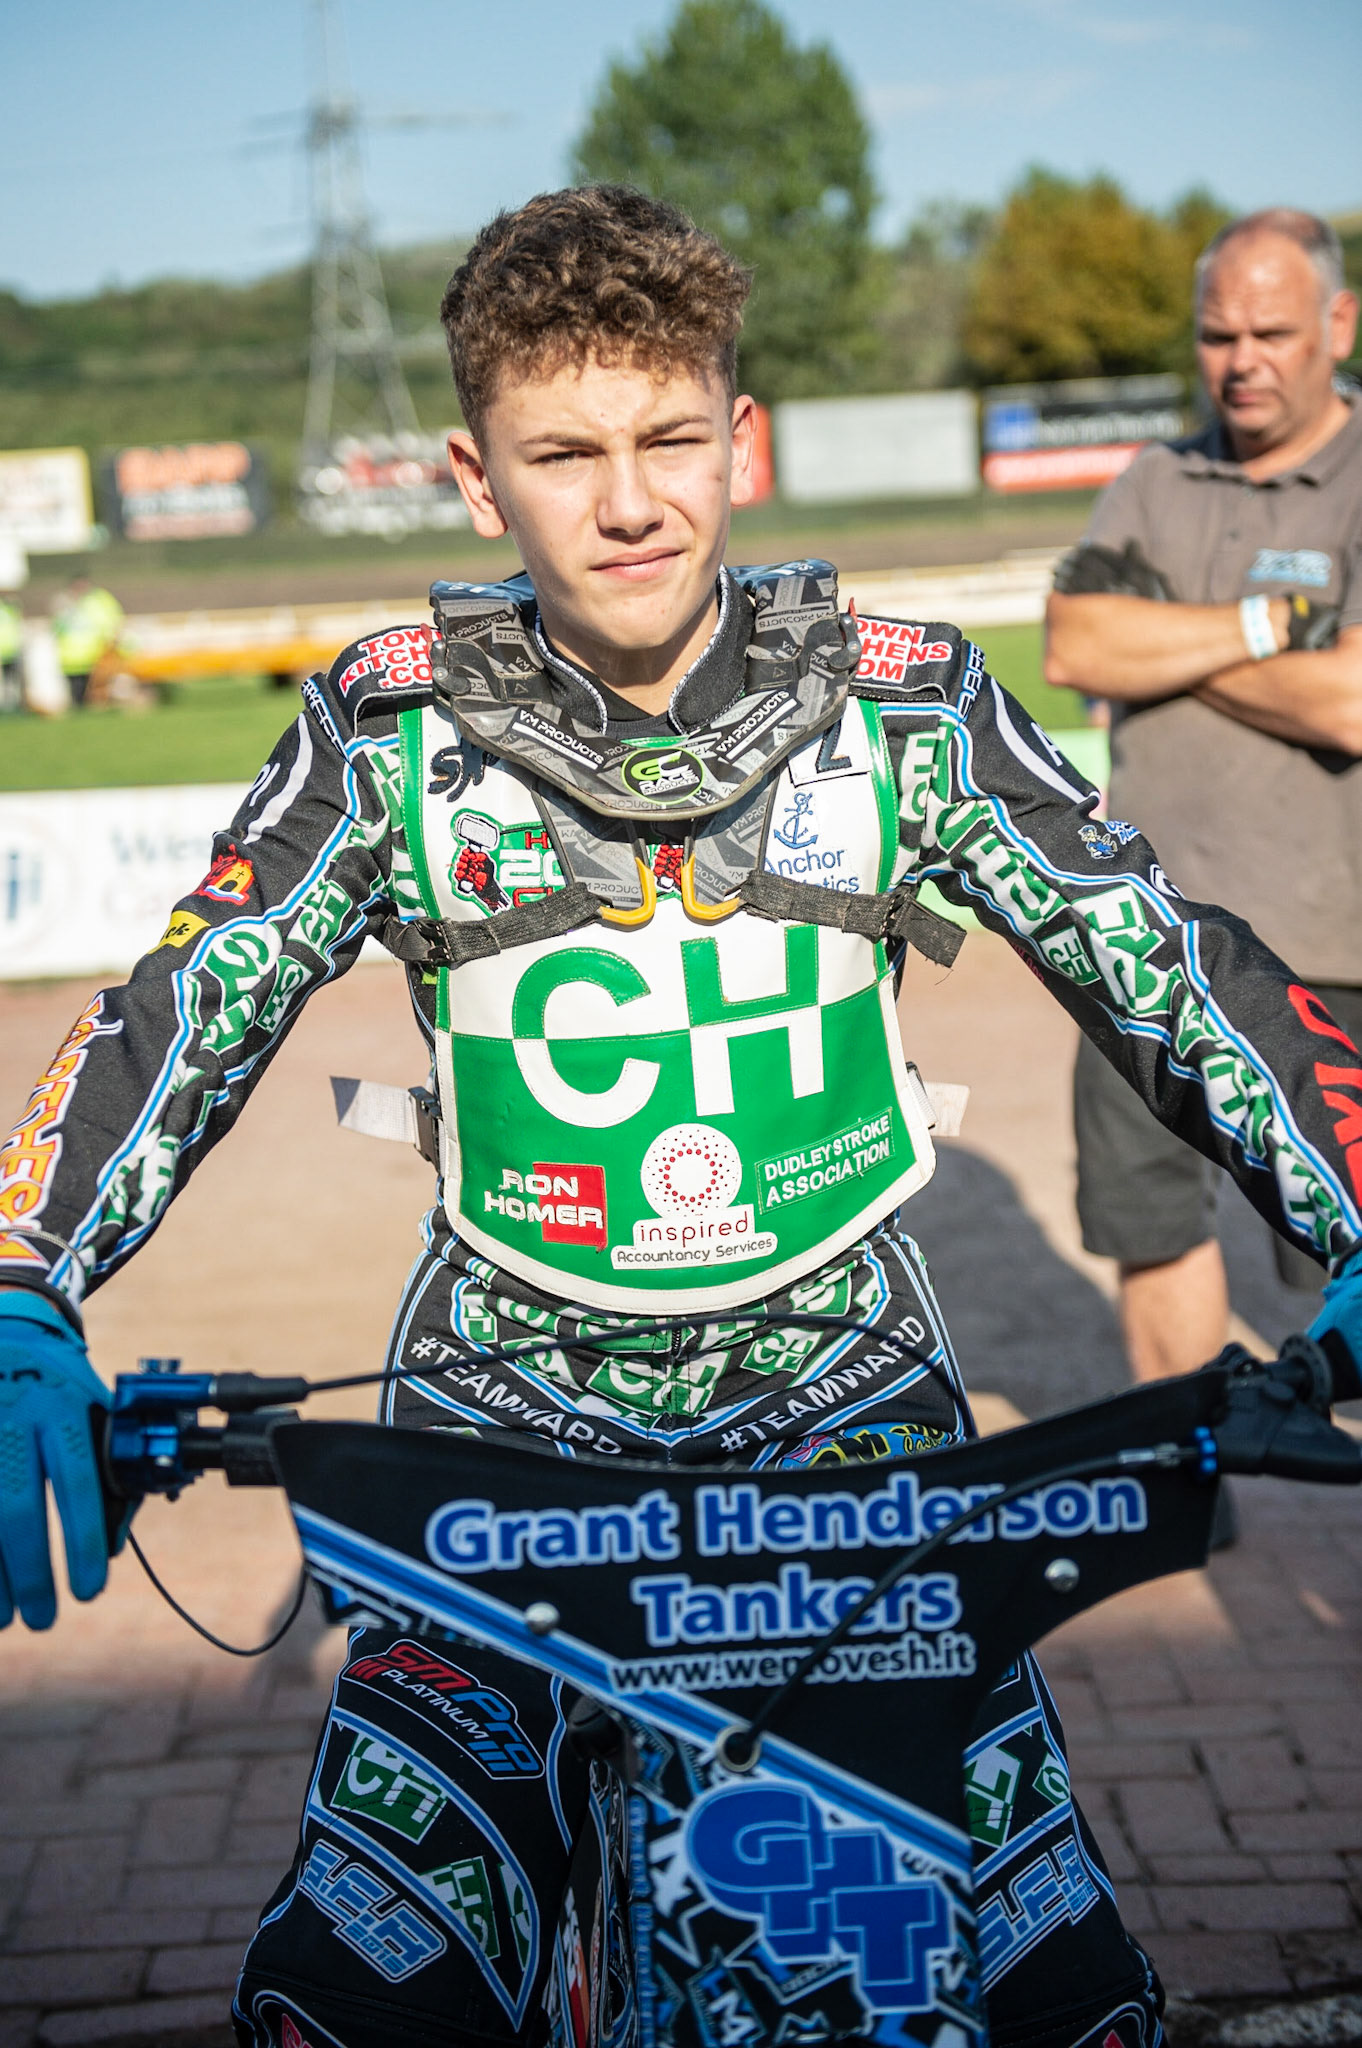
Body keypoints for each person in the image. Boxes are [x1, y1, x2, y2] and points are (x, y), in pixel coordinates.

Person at [3, 186, 1362, 2048]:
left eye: (664, 440)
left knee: (1058, 1999)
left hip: (855, 1441)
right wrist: (21, 1282)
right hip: (498, 1445)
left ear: (740, 444)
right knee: (340, 1995)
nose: (626, 499)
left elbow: (1158, 956)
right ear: (478, 481)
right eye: (563, 453)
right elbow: (193, 996)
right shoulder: (383, 733)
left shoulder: (912, 712)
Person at [1045, 208, 1362, 1386]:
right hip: (1144, 934)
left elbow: (1352, 704)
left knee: (1342, 1250)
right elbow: (1077, 642)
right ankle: (1192, 1480)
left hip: (1334, 945)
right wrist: (1263, 632)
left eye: (1272, 330)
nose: (1243, 359)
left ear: (1339, 322)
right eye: (1218, 332)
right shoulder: (1157, 478)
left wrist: (1174, 649)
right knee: (1152, 1224)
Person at [50, 573, 124, 708]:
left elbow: (109, 622)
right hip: (70, 656)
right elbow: (57, 626)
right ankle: (79, 706)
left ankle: (91, 706)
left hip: (93, 654)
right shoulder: (64, 603)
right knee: (76, 687)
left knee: (93, 686)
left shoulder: (96, 602)